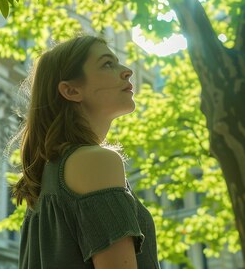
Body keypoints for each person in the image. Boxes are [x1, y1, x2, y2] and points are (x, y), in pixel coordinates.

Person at [12, 35, 160, 268]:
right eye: (107, 64)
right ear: (71, 91)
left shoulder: (50, 177)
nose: (128, 71)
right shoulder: (96, 162)